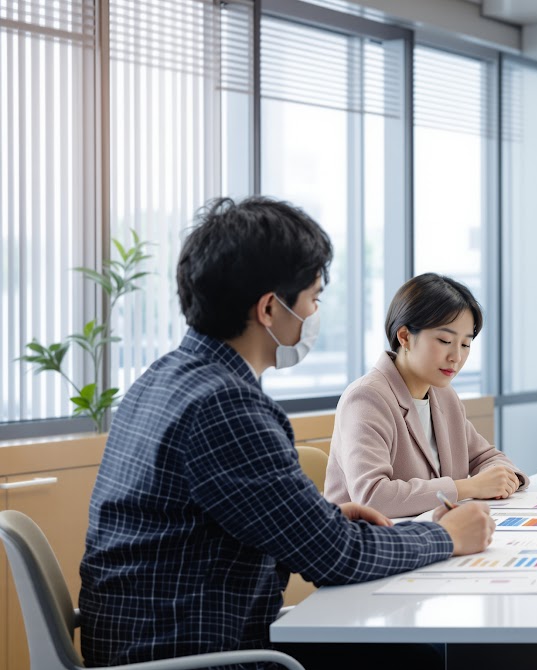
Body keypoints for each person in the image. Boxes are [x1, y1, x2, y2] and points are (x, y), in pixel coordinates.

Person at [79, 197, 495, 668]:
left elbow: (240, 520)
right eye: (313, 299)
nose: (316, 312)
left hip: (152, 639)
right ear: (270, 309)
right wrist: (446, 536)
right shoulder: (226, 406)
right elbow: (335, 558)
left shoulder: (164, 377)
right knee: (415, 660)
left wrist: (323, 515)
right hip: (195, 653)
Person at [325, 273, 526, 518]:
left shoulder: (443, 396)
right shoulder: (367, 398)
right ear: (405, 336)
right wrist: (470, 486)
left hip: (432, 536)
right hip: (373, 544)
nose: (456, 357)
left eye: (465, 345)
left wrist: (502, 477)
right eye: (444, 340)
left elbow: (487, 457)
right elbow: (372, 497)